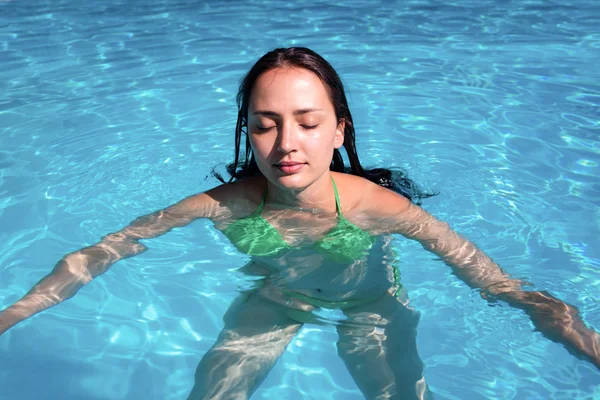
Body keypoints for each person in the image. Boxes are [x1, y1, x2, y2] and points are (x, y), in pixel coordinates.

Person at [0, 47, 598, 400]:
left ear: (339, 130)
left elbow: (488, 278)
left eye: (308, 122)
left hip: (369, 306)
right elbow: (104, 250)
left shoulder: (375, 206)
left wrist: (576, 336)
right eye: (265, 124)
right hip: (275, 300)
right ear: (248, 133)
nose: (286, 143)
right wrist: (13, 315)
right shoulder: (223, 203)